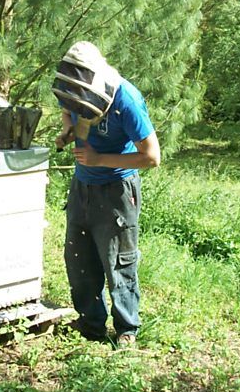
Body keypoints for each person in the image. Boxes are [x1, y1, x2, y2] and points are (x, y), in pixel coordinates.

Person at [52, 41, 160, 348]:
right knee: (79, 256)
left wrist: (101, 160)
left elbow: (152, 157)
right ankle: (90, 323)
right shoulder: (73, 86)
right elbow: (67, 113)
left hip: (117, 191)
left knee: (118, 260)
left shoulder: (127, 100)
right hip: (81, 186)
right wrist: (67, 132)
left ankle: (127, 328)